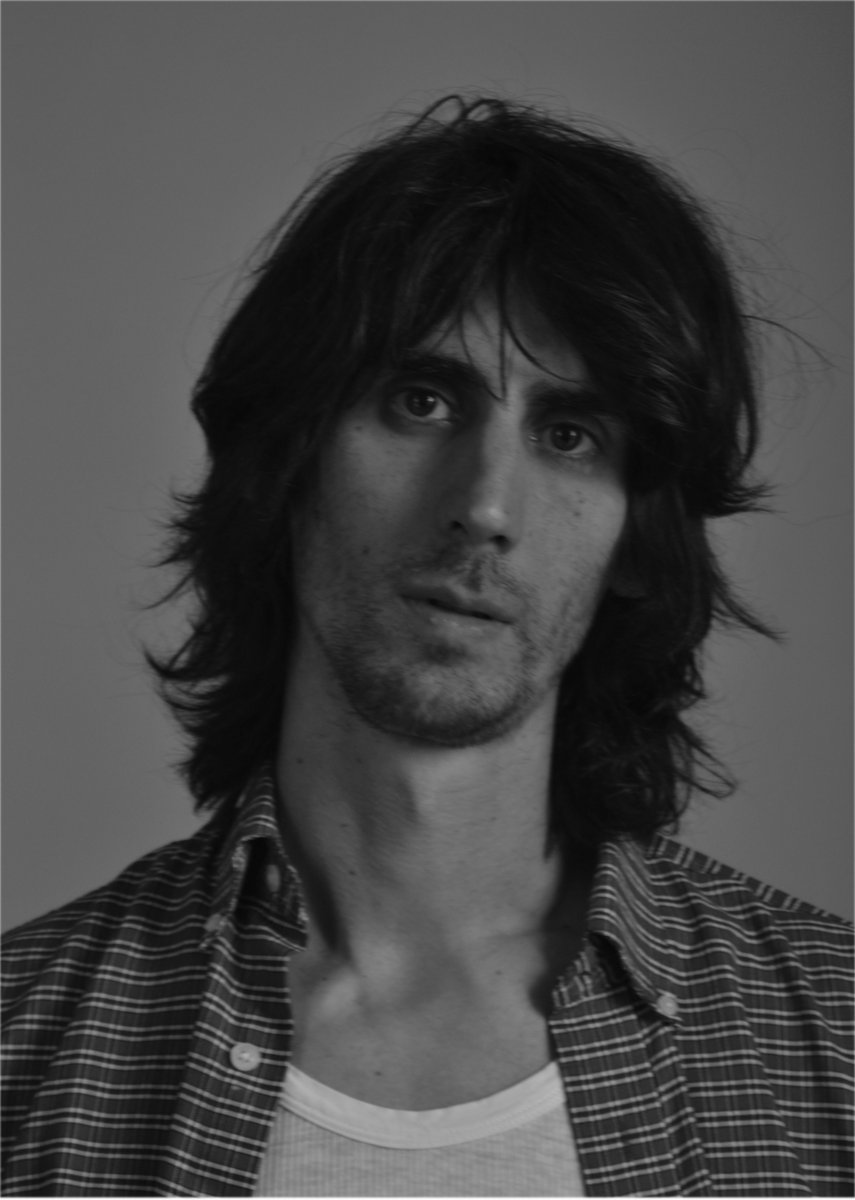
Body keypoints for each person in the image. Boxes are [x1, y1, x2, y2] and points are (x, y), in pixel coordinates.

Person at [2, 95, 851, 1198]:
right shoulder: (21, 1049)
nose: (485, 505)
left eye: (569, 434)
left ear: (637, 538)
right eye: (421, 401)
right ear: (289, 463)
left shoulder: (832, 1039)